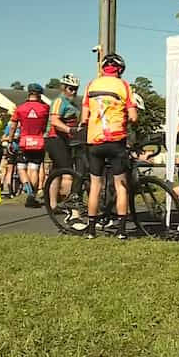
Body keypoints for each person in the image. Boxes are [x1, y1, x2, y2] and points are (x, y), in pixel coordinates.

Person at [80, 53, 137, 239]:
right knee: (121, 184)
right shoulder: (124, 85)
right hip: (116, 139)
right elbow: (134, 116)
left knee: (95, 184)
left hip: (94, 141)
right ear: (120, 69)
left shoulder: (91, 85)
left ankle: (90, 229)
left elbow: (84, 117)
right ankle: (121, 230)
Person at [8, 83, 50, 208]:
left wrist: (10, 140)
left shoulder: (20, 108)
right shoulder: (45, 108)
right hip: (39, 141)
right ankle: (33, 196)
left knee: (21, 168)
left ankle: (27, 187)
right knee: (34, 169)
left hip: (24, 141)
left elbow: (13, 125)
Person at [45, 73, 81, 210]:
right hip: (54, 138)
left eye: (76, 89)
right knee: (68, 171)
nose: (73, 92)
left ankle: (53, 205)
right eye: (70, 89)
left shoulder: (72, 103)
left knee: (57, 171)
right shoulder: (59, 101)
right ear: (63, 87)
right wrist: (69, 130)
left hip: (66, 140)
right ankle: (69, 204)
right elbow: (54, 121)